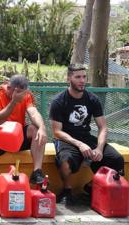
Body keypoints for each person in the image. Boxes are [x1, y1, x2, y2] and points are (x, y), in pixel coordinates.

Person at [49, 64, 125, 205]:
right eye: (78, 77)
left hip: (86, 138)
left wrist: (99, 149)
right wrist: (79, 144)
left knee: (116, 159)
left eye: (84, 76)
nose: (82, 80)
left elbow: (103, 127)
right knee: (65, 162)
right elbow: (56, 132)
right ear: (68, 79)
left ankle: (91, 186)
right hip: (66, 140)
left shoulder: (92, 99)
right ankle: (67, 190)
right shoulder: (58, 101)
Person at [0, 74, 47, 209]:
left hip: (17, 136)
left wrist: (42, 127)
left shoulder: (27, 94)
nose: (16, 94)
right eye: (13, 90)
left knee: (36, 130)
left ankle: (37, 172)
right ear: (8, 85)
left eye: (20, 92)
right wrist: (13, 102)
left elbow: (33, 112)